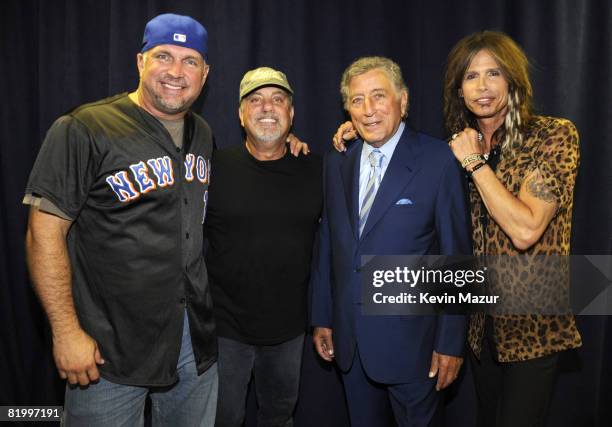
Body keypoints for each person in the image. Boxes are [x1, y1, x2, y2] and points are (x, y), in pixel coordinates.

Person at [24, 13, 217, 426]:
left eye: (190, 61)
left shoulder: (203, 133)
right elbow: (44, 233)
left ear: (205, 73)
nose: (176, 72)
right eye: (164, 55)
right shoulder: (84, 127)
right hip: (107, 349)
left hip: (191, 340)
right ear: (140, 61)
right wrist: (65, 332)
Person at [311, 56, 472, 427]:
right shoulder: (337, 162)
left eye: (378, 96)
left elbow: (456, 258)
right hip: (350, 341)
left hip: (415, 348)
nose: (368, 110)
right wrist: (322, 316)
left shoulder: (438, 160)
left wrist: (450, 342)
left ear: (403, 99)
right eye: (357, 100)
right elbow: (329, 245)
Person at [443, 31, 582, 427]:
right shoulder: (456, 146)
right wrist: (362, 140)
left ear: (513, 81)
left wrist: (474, 163)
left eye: (494, 74)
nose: (482, 87)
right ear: (459, 89)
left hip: (533, 327)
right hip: (478, 328)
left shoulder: (552, 135)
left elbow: (525, 229)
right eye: (471, 76)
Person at [204, 67, 322, 427]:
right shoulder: (212, 168)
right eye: (255, 100)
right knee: (222, 419)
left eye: (278, 100)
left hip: (288, 331)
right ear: (241, 115)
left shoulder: (317, 169)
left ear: (291, 113)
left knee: (278, 416)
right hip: (224, 330)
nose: (267, 108)